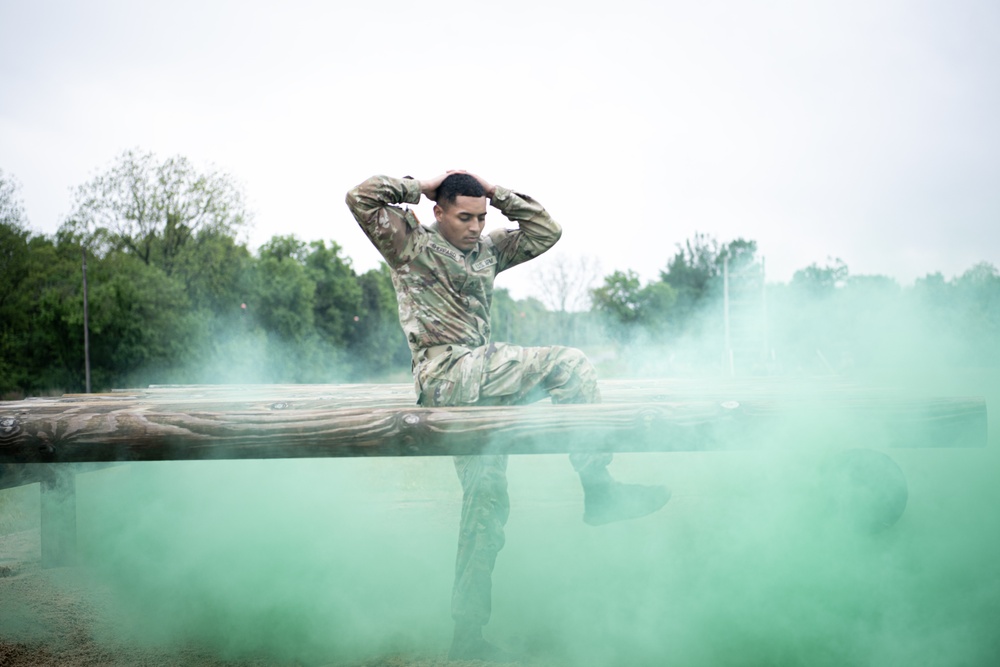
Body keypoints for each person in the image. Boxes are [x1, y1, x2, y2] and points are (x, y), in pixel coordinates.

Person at [345, 171, 669, 662]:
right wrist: (423, 184)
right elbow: (360, 197)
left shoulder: (490, 250)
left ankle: (466, 638)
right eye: (464, 217)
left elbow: (546, 232)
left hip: (486, 389)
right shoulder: (410, 243)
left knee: (485, 511)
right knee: (570, 365)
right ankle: (598, 488)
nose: (475, 227)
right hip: (448, 378)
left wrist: (498, 195)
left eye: (480, 218)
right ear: (439, 212)